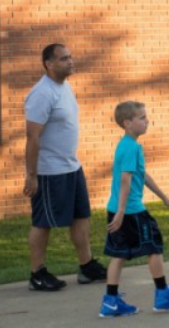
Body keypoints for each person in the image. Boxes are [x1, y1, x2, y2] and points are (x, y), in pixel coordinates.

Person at [23, 43, 107, 291]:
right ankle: (37, 273)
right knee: (43, 222)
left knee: (81, 216)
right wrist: (32, 175)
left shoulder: (64, 87)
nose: (71, 61)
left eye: (71, 57)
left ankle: (87, 266)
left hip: (72, 167)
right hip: (49, 172)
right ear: (49, 64)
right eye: (63, 59)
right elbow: (32, 137)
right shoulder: (41, 93)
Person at [99, 101, 169, 317]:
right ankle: (163, 296)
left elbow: (142, 175)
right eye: (141, 118)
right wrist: (123, 211)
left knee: (119, 254)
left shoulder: (125, 144)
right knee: (154, 247)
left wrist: (164, 198)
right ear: (127, 123)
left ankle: (110, 302)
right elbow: (126, 179)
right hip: (131, 212)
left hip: (117, 209)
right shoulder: (132, 147)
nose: (146, 121)